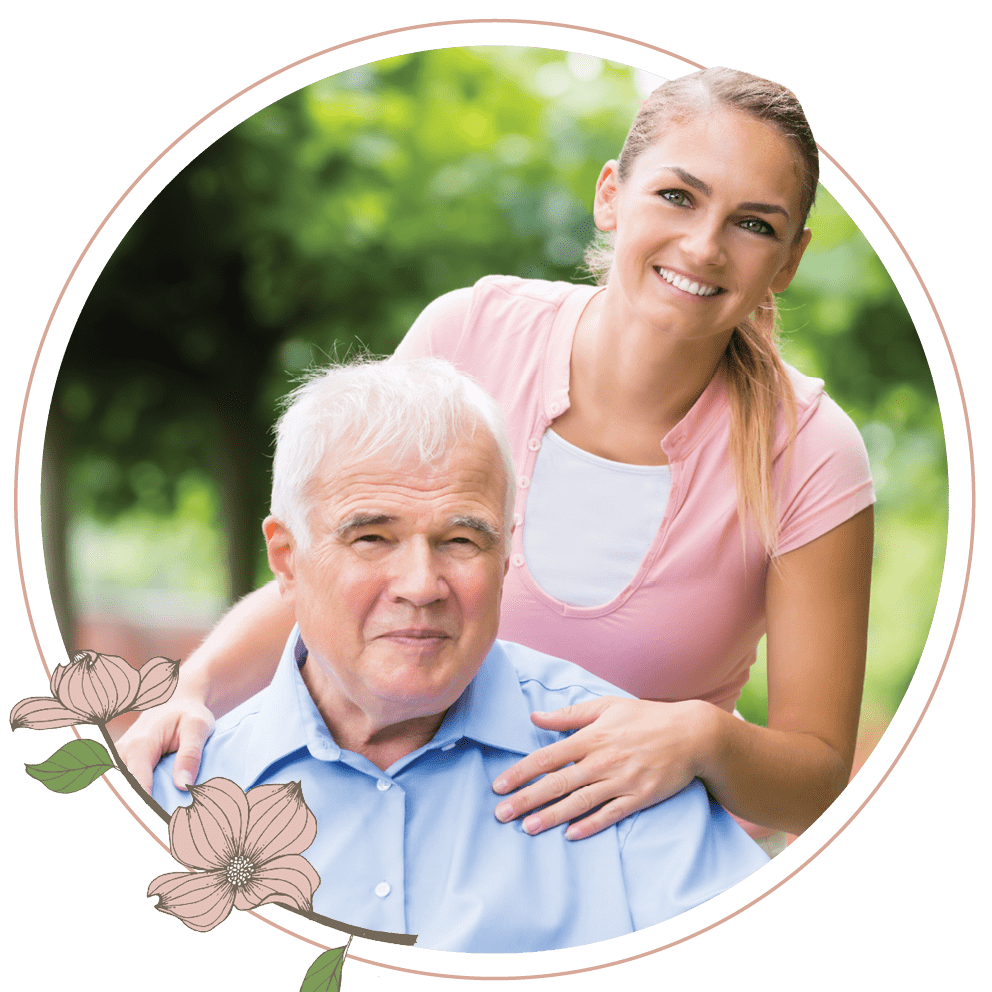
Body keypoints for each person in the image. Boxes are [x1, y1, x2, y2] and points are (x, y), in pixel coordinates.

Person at [123, 66, 874, 855]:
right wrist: (195, 687)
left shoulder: (812, 452)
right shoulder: (469, 337)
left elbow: (817, 780)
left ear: (789, 260)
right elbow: (344, 572)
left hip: (618, 876)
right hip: (394, 821)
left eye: (755, 224)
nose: (704, 245)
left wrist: (700, 739)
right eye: (678, 196)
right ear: (611, 195)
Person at [151, 358, 768, 953]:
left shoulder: (627, 767)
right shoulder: (175, 798)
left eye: (460, 539)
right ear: (287, 559)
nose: (421, 584)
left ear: (505, 558)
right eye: (372, 538)